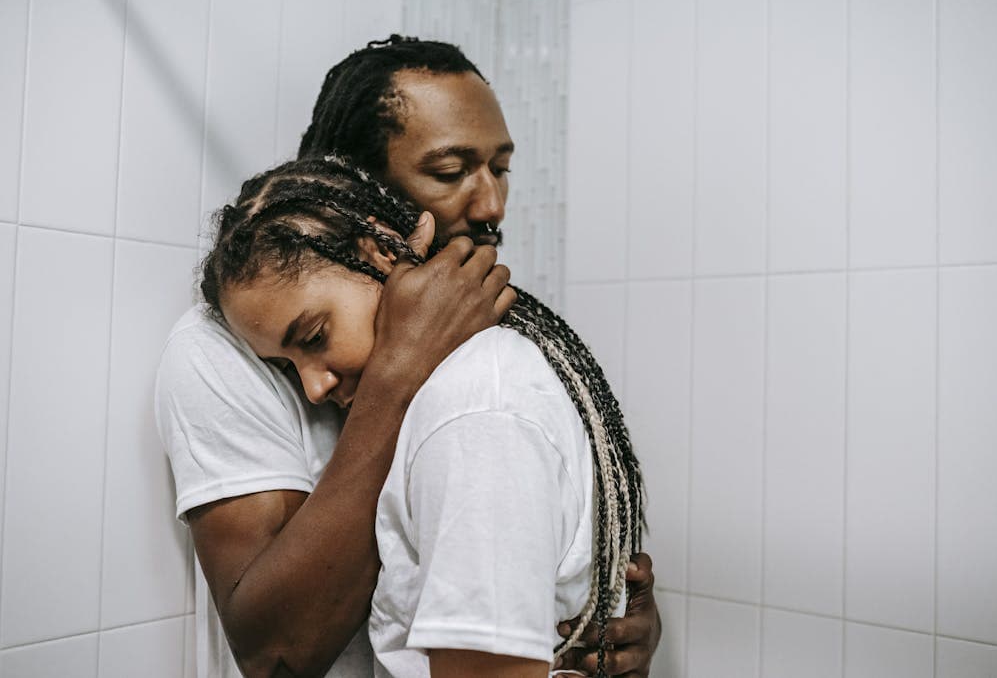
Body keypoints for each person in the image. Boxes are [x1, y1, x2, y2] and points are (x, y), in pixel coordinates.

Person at [155, 36, 660, 677]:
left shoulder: (485, 362)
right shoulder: (222, 350)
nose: (491, 205)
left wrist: (610, 616)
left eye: (499, 168)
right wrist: (398, 371)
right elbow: (277, 653)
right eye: (449, 172)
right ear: (360, 189)